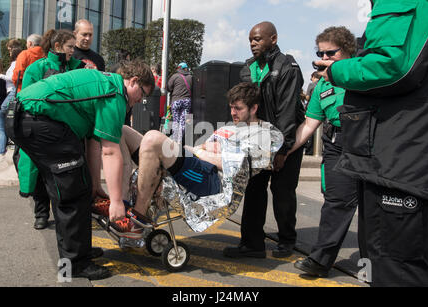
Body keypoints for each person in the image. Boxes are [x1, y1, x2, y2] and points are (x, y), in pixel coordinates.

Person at [317, 0, 428, 287]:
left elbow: (392, 65)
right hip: (413, 155)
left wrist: (337, 71)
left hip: (396, 159)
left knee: (391, 265)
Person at [9, 59, 155, 280]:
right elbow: (110, 151)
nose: (138, 101)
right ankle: (74, 265)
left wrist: (96, 186)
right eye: (142, 94)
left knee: (80, 187)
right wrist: (116, 202)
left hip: (28, 118)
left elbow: (93, 144)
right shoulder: (114, 94)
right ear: (134, 82)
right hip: (35, 119)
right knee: (71, 193)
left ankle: (81, 252)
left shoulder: (105, 85)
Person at [104, 82, 283, 240]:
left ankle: (138, 220)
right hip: (199, 164)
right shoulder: (229, 128)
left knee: (153, 138)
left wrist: (203, 152)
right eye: (231, 107)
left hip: (211, 182)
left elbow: (239, 165)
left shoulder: (264, 133)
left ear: (254, 108)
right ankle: (123, 204)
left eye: (238, 108)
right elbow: (205, 148)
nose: (232, 112)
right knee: (122, 130)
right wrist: (199, 150)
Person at [284, 26, 359, 277]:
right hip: (337, 147)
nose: (324, 59)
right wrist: (284, 151)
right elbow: (308, 126)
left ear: (348, 52)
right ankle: (320, 260)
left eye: (330, 53)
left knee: (374, 211)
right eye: (321, 53)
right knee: (335, 204)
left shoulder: (364, 76)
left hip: (369, 146)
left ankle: (375, 265)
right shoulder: (321, 88)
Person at [227, 21, 305, 258]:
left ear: (273, 39)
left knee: (282, 192)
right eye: (251, 39)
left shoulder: (288, 67)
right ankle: (252, 244)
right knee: (253, 190)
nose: (253, 43)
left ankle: (286, 243)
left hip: (285, 142)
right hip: (258, 140)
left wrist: (282, 150)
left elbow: (288, 112)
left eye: (258, 39)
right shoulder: (247, 68)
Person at [17, 29, 85, 230]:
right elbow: (26, 99)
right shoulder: (36, 69)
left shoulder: (78, 67)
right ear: (57, 46)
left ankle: (63, 214)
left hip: (70, 131)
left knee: (66, 175)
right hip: (43, 131)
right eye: (70, 47)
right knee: (41, 173)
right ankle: (41, 213)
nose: (74, 50)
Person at [0, 46, 22, 165]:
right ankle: (2, 152)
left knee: (1, 131)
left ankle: (1, 153)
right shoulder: (1, 78)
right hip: (2, 103)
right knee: (3, 130)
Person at [167, 62, 192, 142]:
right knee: (183, 122)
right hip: (186, 101)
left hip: (176, 101)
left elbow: (168, 88)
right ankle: (179, 141)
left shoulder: (175, 76)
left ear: (179, 68)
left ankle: (174, 139)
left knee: (176, 121)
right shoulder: (191, 77)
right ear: (186, 68)